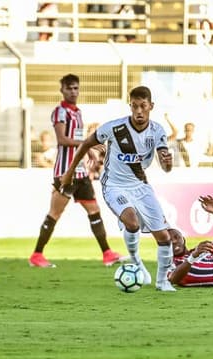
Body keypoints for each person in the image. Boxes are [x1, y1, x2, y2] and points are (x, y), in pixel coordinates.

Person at [60, 85, 177, 292]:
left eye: (143, 106)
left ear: (151, 106)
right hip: (114, 186)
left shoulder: (157, 131)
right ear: (130, 106)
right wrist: (69, 173)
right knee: (131, 222)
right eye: (134, 106)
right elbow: (86, 144)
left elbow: (166, 166)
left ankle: (162, 282)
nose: (139, 111)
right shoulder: (114, 128)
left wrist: (168, 162)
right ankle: (136, 262)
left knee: (165, 237)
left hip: (141, 186)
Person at [29, 74, 125, 268]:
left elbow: (78, 139)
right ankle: (37, 255)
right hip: (66, 173)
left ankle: (107, 253)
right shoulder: (60, 112)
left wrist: (89, 150)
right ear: (62, 90)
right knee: (54, 213)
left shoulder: (78, 113)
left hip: (81, 174)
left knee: (94, 210)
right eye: (70, 88)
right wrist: (88, 144)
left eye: (76, 88)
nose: (74, 92)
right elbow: (63, 140)